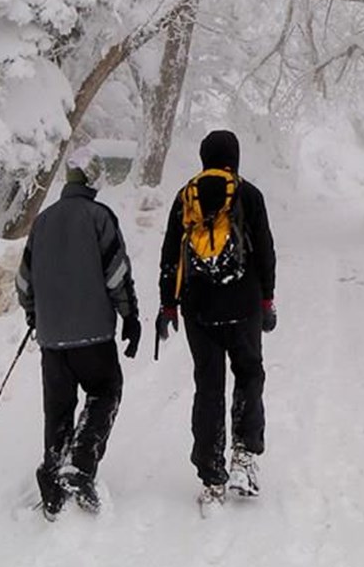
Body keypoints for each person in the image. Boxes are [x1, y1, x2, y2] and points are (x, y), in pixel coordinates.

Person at [156, 129, 276, 508]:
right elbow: (265, 251)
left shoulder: (186, 197)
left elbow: (169, 255)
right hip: (243, 307)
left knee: (208, 387)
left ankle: (211, 477)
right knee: (249, 375)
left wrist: (168, 305)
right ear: (234, 158)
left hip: (199, 310)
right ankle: (244, 456)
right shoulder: (248, 194)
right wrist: (267, 300)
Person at [16, 153, 140, 517]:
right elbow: (116, 273)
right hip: (93, 335)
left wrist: (34, 313)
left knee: (58, 407)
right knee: (105, 390)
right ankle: (80, 465)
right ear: (92, 182)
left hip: (51, 338)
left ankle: (53, 474)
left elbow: (23, 281)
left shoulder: (42, 221)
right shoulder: (99, 217)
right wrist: (130, 316)